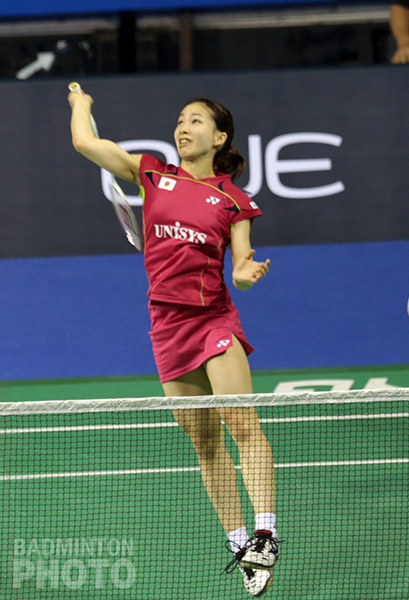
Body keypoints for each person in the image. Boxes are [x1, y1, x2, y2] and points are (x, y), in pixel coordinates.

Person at [68, 89, 280, 595]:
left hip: (213, 320)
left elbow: (242, 261)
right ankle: (240, 547)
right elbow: (85, 143)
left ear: (219, 137)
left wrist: (245, 273)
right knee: (204, 443)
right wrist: (82, 104)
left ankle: (266, 535)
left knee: (242, 423)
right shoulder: (151, 173)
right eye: (181, 120)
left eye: (196, 121)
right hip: (167, 327)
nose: (184, 127)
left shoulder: (233, 199)